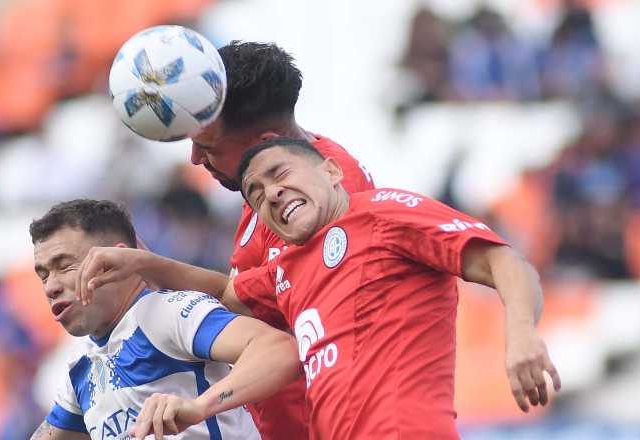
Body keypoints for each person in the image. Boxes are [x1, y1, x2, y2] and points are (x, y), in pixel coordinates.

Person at [76, 139, 561, 439]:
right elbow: (228, 292)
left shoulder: (383, 214)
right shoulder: (290, 269)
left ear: (330, 170)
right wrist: (142, 262)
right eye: (257, 195)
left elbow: (504, 260)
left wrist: (521, 335)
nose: (271, 194)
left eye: (280, 174)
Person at [187, 40, 375, 440]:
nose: (195, 159)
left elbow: (279, 320)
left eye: (206, 147)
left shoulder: (316, 197)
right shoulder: (273, 178)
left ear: (263, 142)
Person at [27, 199, 300, 440]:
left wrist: (200, 407)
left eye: (64, 266)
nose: (51, 287)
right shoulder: (82, 368)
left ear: (114, 260)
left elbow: (279, 349)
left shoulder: (163, 313)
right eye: (43, 275)